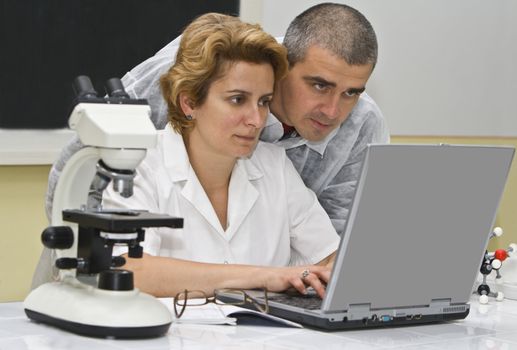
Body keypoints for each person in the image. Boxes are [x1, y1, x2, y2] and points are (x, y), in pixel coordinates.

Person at [36, 13, 340, 298]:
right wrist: (265, 276)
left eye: (264, 102)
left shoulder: (275, 167)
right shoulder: (137, 164)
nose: (257, 119)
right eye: (237, 100)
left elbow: (331, 257)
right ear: (189, 103)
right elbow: (128, 268)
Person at [44, 3, 389, 236]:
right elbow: (79, 169)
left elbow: (338, 240)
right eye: (319, 85)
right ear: (285, 64)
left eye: (351, 92)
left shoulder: (361, 124)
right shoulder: (197, 71)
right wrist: (82, 255)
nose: (333, 111)